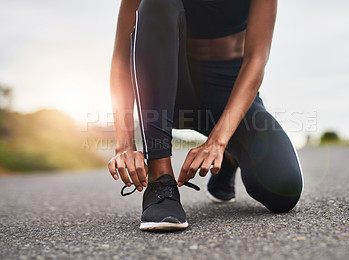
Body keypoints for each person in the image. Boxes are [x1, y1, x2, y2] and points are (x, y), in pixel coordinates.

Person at [108, 0, 303, 231]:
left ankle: (229, 157)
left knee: (283, 188)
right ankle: (161, 182)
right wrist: (124, 146)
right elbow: (122, 60)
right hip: (173, 86)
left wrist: (218, 142)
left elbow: (256, 60)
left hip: (230, 89)